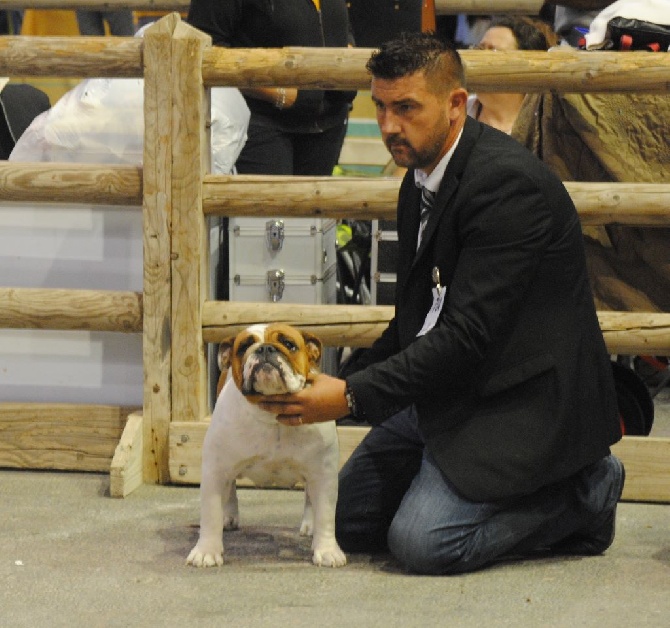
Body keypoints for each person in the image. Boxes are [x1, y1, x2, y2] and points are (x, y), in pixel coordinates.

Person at [258, 32, 624, 575]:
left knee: (421, 544)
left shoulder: (506, 188)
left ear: (456, 104)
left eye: (405, 108)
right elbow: (416, 317)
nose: (387, 126)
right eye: (380, 106)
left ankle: (586, 495)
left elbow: (467, 337)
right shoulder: (421, 175)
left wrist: (353, 397)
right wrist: (330, 380)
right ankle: (446, 477)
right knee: (344, 523)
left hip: (522, 402)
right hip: (450, 386)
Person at [187, 0, 357, 176]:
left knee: (316, 203)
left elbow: (340, 24)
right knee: (269, 200)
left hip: (329, 124)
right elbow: (204, 45)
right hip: (260, 124)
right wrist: (281, 94)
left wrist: (348, 52)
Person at [468, 16, 558, 135]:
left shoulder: (544, 128)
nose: (478, 59)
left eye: (493, 52)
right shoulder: (456, 110)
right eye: (479, 49)